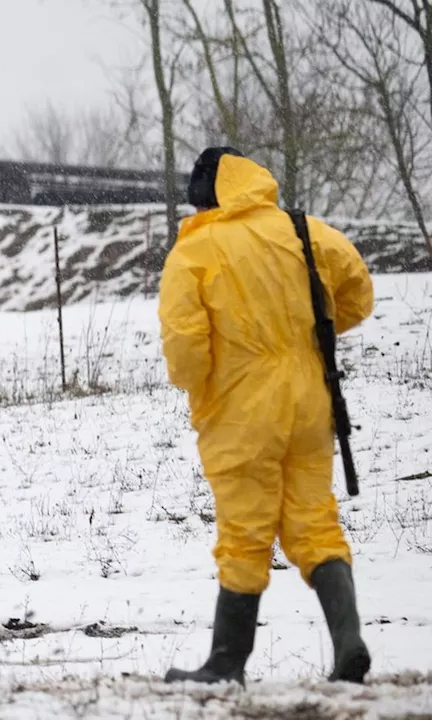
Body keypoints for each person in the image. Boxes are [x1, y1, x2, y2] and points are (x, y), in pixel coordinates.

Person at [158, 147, 375, 685]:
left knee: (245, 532)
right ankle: (349, 641)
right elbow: (357, 295)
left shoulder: (195, 251)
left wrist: (200, 380)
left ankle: (225, 663)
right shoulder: (303, 230)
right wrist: (304, 334)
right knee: (314, 521)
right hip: (310, 401)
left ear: (204, 195)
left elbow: (186, 350)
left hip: (240, 410)